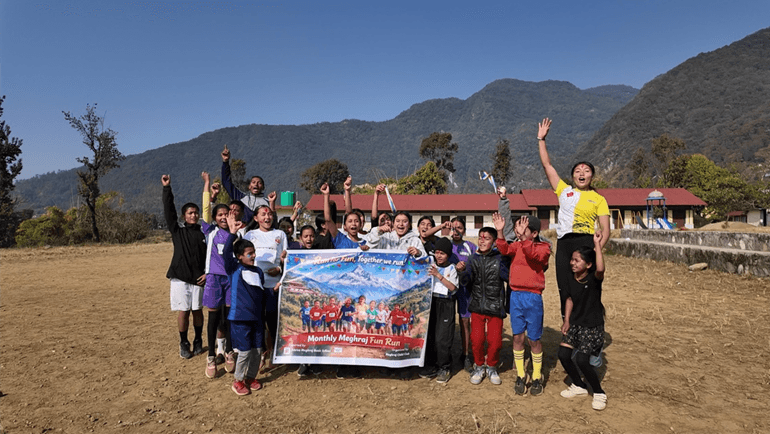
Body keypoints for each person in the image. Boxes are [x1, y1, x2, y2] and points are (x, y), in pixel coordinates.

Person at [536, 118, 610, 319]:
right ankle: (568, 325)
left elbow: (606, 230)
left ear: (592, 176)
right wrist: (541, 139)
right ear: (573, 177)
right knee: (565, 287)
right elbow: (547, 165)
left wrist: (596, 252)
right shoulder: (564, 191)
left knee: (587, 286)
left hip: (586, 243)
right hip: (564, 244)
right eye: (578, 171)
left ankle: (591, 323)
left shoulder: (599, 199)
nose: (582, 173)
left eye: (586, 171)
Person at [493, 213, 551, 396]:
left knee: (534, 339)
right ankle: (520, 374)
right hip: (516, 295)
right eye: (517, 227)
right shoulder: (517, 245)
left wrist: (524, 240)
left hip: (533, 297)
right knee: (518, 337)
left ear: (533, 233)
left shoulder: (544, 247)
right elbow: (503, 249)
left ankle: (536, 375)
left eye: (522, 228)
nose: (518, 231)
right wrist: (500, 231)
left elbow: (533, 254)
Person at [559, 232, 608, 411]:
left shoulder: (594, 279)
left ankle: (599, 392)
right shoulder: (571, 279)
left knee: (582, 360)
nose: (573, 263)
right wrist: (567, 320)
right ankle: (579, 386)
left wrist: (597, 245)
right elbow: (569, 299)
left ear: (588, 264)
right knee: (563, 355)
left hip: (592, 326)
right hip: (576, 324)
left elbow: (601, 269)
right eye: (572, 259)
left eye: (577, 260)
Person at [161, 174, 206, 359]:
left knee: (197, 311)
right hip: (180, 278)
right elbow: (168, 210)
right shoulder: (177, 232)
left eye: (196, 212)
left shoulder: (205, 233)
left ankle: (197, 340)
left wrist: (207, 274)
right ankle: (183, 342)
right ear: (184, 216)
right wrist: (166, 188)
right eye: (190, 213)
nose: (194, 215)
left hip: (199, 278)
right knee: (183, 311)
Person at [222, 210, 266, 395]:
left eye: (254, 253)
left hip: (257, 318)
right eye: (249, 254)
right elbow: (225, 254)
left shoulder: (258, 272)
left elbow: (259, 293)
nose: (253, 256)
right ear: (239, 256)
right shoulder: (235, 269)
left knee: (257, 350)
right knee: (245, 351)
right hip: (240, 317)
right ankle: (238, 380)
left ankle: (250, 376)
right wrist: (232, 233)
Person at [200, 172, 236, 378]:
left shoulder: (235, 232)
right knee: (213, 318)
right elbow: (205, 208)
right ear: (214, 218)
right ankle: (211, 356)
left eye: (227, 213)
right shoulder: (210, 231)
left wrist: (233, 231)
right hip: (214, 278)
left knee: (229, 317)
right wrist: (207, 185)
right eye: (220, 214)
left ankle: (229, 351)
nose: (224, 217)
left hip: (230, 278)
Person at [242, 204, 287, 371]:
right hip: (254, 286)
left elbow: (285, 259)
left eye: (269, 214)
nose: (267, 218)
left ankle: (275, 353)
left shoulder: (280, 234)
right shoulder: (250, 234)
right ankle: (260, 353)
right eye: (263, 215)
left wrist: (279, 270)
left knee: (272, 321)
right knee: (257, 321)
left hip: (272, 286)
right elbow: (243, 259)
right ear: (256, 218)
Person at [464, 226, 509, 385]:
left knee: (495, 341)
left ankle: (491, 366)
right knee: (476, 340)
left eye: (487, 238)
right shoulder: (472, 259)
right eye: (480, 237)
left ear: (494, 242)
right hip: (477, 306)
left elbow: (507, 277)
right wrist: (463, 271)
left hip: (495, 306)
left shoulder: (500, 258)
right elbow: (466, 282)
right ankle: (479, 366)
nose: (482, 241)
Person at [420, 237, 459, 383]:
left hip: (446, 303)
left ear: (448, 254)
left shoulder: (451, 268)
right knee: (430, 336)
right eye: (437, 252)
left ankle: (445, 367)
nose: (439, 256)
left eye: (442, 253)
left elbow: (453, 288)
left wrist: (439, 275)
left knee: (443, 338)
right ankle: (431, 365)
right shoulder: (430, 265)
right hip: (432, 302)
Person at [220, 144, 277, 224]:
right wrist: (225, 162)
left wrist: (272, 203)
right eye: (253, 182)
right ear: (249, 186)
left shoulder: (267, 203)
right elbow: (226, 182)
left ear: (263, 187)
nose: (256, 184)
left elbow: (273, 221)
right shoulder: (241, 198)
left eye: (259, 183)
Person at [449, 216, 477, 372]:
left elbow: (476, 266)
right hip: (447, 290)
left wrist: (466, 269)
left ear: (464, 230)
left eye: (459, 227)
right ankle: (446, 354)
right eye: (453, 227)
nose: (456, 230)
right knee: (447, 322)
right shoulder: (446, 246)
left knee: (465, 322)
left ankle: (466, 355)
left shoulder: (471, 247)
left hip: (465, 290)